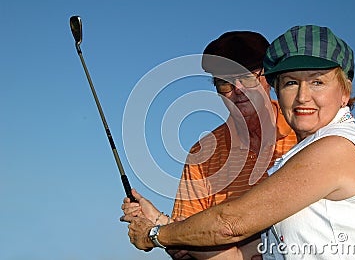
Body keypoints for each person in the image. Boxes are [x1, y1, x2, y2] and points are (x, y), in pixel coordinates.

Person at [121, 25, 355, 259]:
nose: (303, 97)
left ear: (344, 93)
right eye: (291, 82)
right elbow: (235, 255)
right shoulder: (209, 154)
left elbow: (229, 224)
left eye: (317, 82)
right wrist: (160, 223)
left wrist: (156, 235)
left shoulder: (335, 147)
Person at [122, 31, 297, 259]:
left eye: (247, 77)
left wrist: (155, 232)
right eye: (225, 82)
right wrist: (157, 221)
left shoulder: (306, 129)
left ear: (270, 78)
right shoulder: (202, 154)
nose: (238, 90)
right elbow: (184, 241)